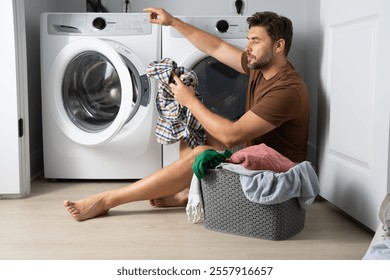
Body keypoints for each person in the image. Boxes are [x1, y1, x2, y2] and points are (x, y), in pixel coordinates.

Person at [64, 8, 310, 221]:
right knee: (195, 127)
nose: (247, 47)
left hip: (277, 175)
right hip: (256, 155)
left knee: (203, 152)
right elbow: (215, 46)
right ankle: (185, 192)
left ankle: (108, 200)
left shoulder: (286, 91)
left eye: (255, 41)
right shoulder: (261, 66)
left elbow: (232, 135)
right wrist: (172, 22)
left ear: (278, 46)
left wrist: (189, 100)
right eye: (248, 40)